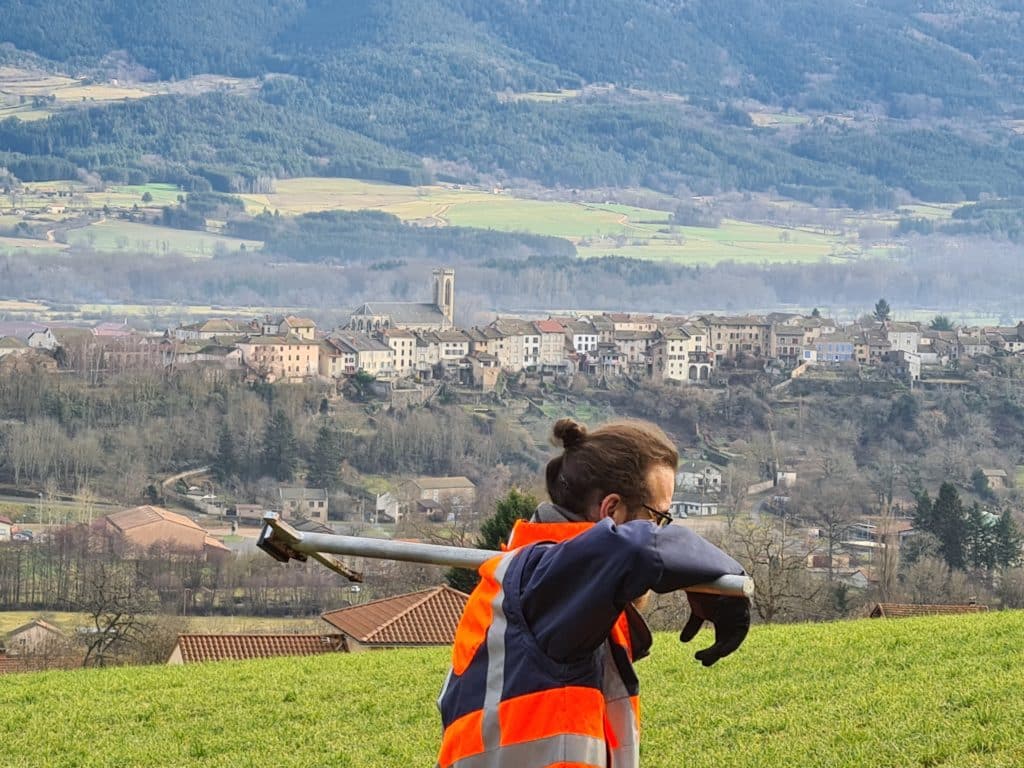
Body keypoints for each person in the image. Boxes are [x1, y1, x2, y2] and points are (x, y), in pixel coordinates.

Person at [436, 418, 750, 768]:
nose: (661, 529)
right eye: (659, 517)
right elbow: (639, 549)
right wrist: (728, 584)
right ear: (611, 511)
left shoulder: (542, 580)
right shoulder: (547, 581)